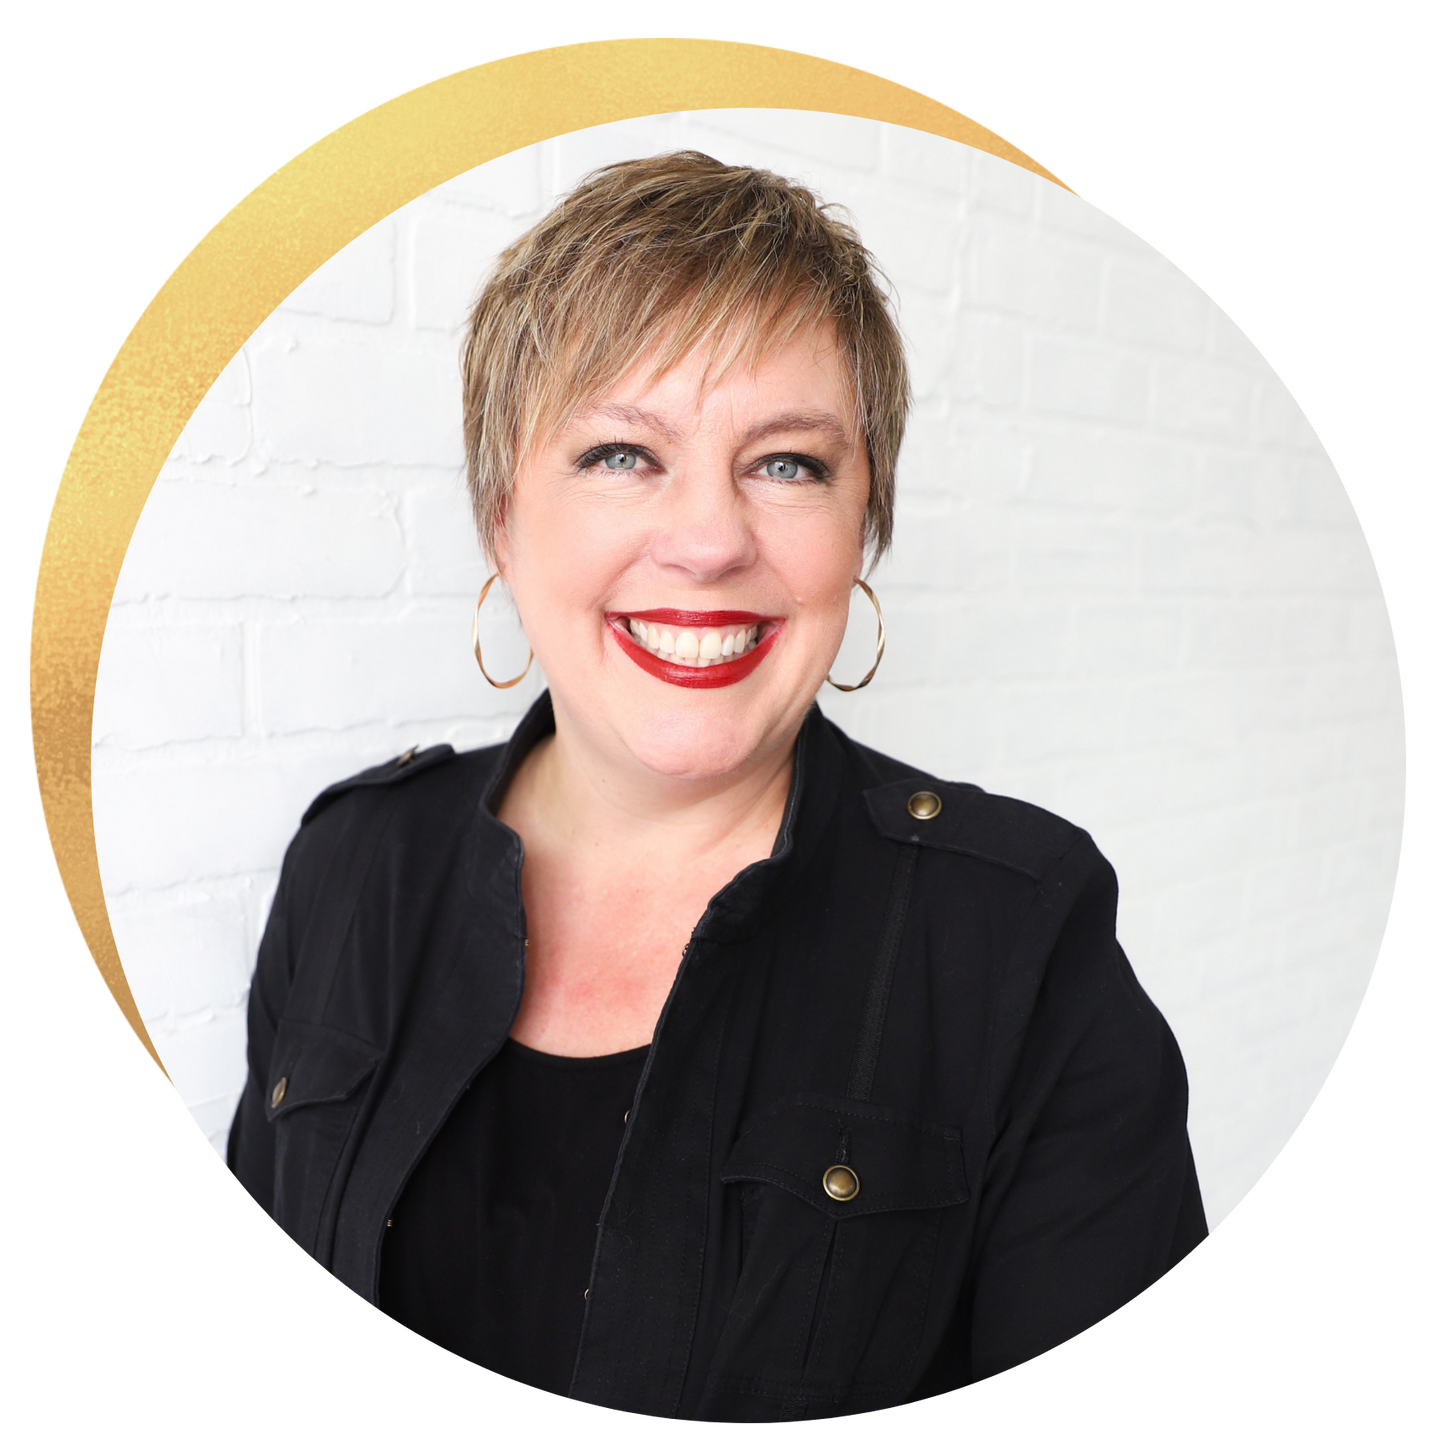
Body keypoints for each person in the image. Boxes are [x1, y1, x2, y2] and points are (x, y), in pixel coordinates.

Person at [227, 151, 1207, 1422]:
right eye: (621, 453)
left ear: (863, 525)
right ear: (500, 517)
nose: (707, 541)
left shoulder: (1019, 937)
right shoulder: (351, 862)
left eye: (787, 463)